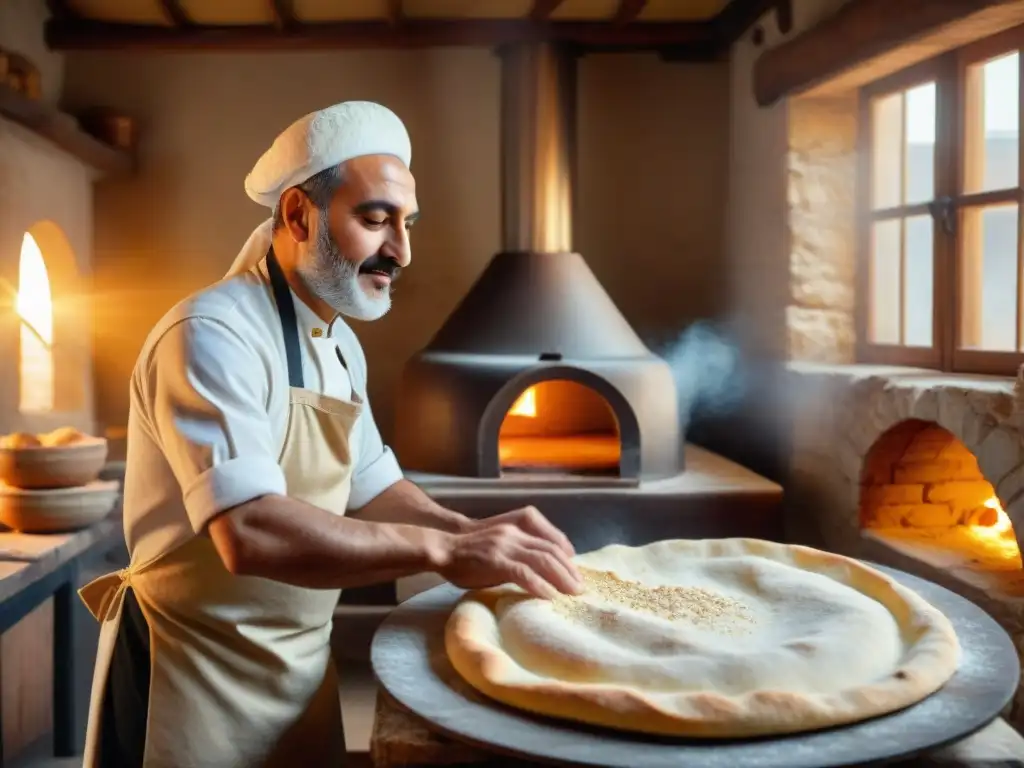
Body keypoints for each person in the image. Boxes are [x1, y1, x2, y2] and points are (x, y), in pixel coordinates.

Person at [79, 100, 583, 768]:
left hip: (293, 671)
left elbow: (376, 488)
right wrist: (438, 550)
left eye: (407, 223)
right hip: (190, 675)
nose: (400, 249)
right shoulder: (210, 335)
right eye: (375, 219)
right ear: (297, 215)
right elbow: (248, 531)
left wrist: (471, 535)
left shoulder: (340, 345)